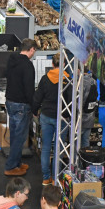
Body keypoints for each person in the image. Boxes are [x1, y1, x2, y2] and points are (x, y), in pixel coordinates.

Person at [33, 53, 72, 185]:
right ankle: (56, 178)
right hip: (61, 118)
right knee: (59, 149)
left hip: (46, 116)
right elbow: (71, 100)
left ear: (52, 64)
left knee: (45, 148)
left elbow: (38, 97)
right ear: (65, 65)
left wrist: (34, 110)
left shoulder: (45, 79)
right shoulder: (68, 80)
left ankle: (46, 177)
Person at [4, 39, 37, 176]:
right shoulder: (28, 66)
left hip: (10, 101)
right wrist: (34, 108)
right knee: (19, 138)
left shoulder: (12, 60)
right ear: (31, 49)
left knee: (14, 134)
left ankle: (16, 163)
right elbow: (29, 90)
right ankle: (11, 166)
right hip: (22, 105)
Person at [80, 68, 98, 148]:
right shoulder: (93, 81)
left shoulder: (80, 82)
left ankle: (76, 160)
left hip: (81, 118)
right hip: (90, 116)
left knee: (76, 142)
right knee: (86, 141)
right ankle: (85, 159)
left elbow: (80, 101)